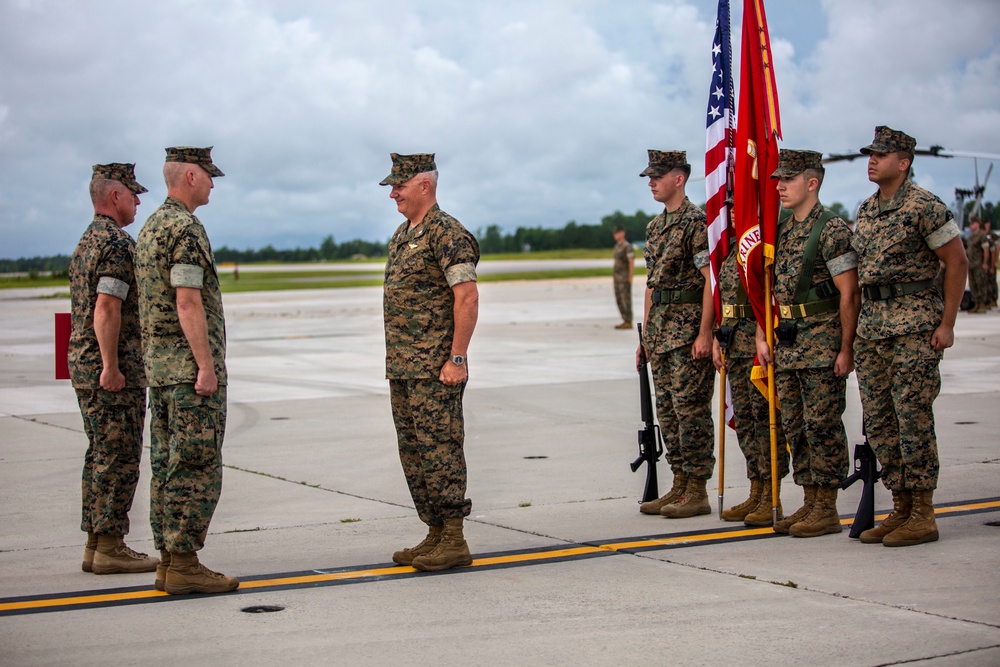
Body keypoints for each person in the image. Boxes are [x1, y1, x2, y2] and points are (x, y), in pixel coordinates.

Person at [853, 126, 967, 547]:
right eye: (870, 154)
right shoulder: (865, 210)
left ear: (903, 163)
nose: (872, 160)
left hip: (915, 327)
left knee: (912, 418)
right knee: (881, 421)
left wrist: (947, 323)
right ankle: (899, 506)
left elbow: (956, 263)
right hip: (873, 328)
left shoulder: (924, 207)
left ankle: (923, 512)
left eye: (880, 155)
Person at [135, 146, 238, 593]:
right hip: (187, 373)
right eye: (209, 176)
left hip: (160, 371)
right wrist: (205, 366)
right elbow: (187, 300)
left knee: (166, 464)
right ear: (191, 176)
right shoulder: (185, 229)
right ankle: (183, 564)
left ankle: (167, 560)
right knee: (195, 466)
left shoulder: (152, 225)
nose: (214, 183)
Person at [381, 153, 480, 571]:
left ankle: (454, 537)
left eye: (399, 185)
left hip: (435, 370)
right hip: (404, 369)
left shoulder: (448, 233)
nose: (393, 193)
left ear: (425, 185)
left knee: (440, 450)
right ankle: (435, 532)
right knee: (414, 453)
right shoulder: (403, 235)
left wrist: (457, 358)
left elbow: (467, 297)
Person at [756, 149, 860, 538]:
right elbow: (771, 292)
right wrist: (762, 335)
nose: (780, 186)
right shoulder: (782, 229)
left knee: (822, 425)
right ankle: (810, 500)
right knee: (795, 426)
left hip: (822, 343)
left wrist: (846, 348)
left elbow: (849, 295)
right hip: (789, 344)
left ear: (812, 183)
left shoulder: (831, 229)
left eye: (789, 179)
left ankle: (827, 507)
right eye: (778, 179)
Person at [69, 163, 158, 575]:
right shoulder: (117, 244)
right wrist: (111, 366)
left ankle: (95, 542)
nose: (139, 200)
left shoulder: (87, 241)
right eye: (133, 194)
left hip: (82, 363)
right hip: (110, 369)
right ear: (115, 196)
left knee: (99, 454)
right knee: (118, 456)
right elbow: (107, 306)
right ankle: (109, 545)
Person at [635, 150, 716, 519]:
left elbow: (710, 283)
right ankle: (680, 483)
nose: (651, 182)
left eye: (657, 175)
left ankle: (697, 489)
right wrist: (645, 337)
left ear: (679, 178)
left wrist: (706, 334)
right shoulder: (655, 228)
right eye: (649, 176)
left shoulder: (697, 223)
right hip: (662, 333)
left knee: (691, 412)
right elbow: (652, 286)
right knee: (668, 412)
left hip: (687, 334)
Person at [713, 209, 789, 527]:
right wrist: (719, 338)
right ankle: (756, 490)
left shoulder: (765, 240)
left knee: (764, 422)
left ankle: (772, 495)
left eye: (738, 204)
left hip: (757, 345)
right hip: (736, 345)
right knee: (745, 423)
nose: (732, 210)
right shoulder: (729, 245)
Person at [965, 217, 990, 313]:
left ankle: (982, 305)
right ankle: (976, 304)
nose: (971, 226)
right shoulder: (970, 237)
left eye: (972, 224)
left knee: (981, 284)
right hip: (971, 265)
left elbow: (986, 250)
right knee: (973, 285)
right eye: (970, 224)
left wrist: (985, 263)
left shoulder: (982, 236)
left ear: (977, 224)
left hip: (979, 264)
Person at [612, 225, 635, 329]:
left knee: (626, 299)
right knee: (619, 299)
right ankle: (624, 319)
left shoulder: (627, 246)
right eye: (615, 233)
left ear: (623, 233)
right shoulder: (617, 246)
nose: (616, 235)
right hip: (617, 278)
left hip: (624, 277)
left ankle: (628, 320)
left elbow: (631, 261)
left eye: (618, 233)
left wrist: (630, 277)